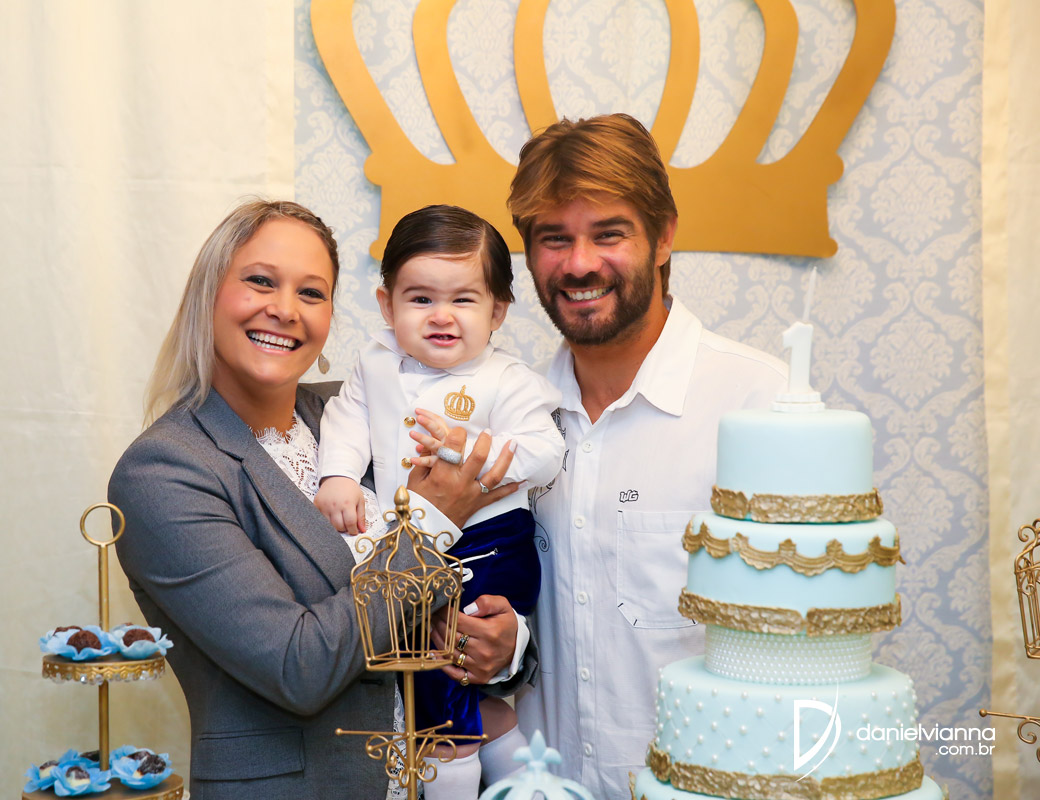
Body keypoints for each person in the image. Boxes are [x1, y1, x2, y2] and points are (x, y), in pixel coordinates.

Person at [108, 200, 524, 800]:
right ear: (208, 296)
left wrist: (505, 647)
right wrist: (431, 519)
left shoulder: (358, 414)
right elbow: (297, 666)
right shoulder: (165, 471)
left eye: (311, 292)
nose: (285, 309)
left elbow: (472, 561)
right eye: (260, 281)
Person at [506, 114, 789, 798]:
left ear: (663, 237)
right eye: (554, 238)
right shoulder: (514, 416)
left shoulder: (758, 404)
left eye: (609, 234)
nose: (579, 264)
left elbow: (799, 650)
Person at [314, 204, 564, 798]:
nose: (441, 315)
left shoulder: (507, 380)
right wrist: (339, 476)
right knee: (464, 692)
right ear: (387, 305)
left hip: (489, 546)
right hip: (414, 545)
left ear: (498, 311)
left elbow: (546, 452)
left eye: (464, 299)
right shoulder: (375, 363)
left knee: (439, 679)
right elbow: (346, 419)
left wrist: (469, 447)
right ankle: (523, 783)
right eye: (420, 298)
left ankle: (454, 775)